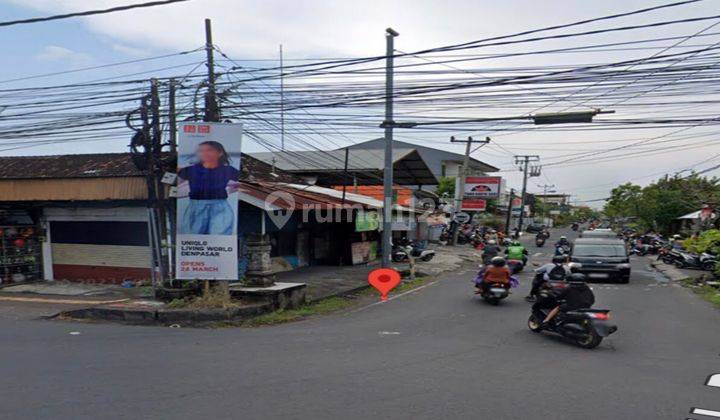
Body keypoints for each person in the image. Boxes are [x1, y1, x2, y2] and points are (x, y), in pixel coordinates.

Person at [178, 141, 240, 235]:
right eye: (201, 150)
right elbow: (175, 185)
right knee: (193, 238)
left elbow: (245, 184)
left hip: (220, 207)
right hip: (196, 206)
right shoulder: (190, 170)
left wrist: (231, 189)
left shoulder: (228, 170)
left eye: (209, 150)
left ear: (220, 153)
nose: (204, 153)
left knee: (219, 239)